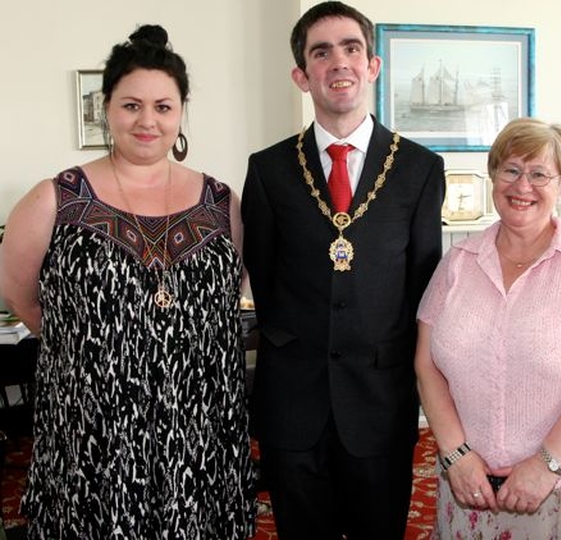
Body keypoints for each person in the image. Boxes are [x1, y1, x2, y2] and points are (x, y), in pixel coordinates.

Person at [0, 24, 256, 539]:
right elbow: (20, 295)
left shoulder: (220, 201)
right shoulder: (57, 198)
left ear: (181, 113)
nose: (148, 121)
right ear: (106, 108)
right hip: (96, 426)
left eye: (163, 107)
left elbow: (239, 287)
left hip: (199, 424)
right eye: (131, 105)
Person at [241, 2, 445, 539]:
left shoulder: (420, 169)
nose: (339, 62)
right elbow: (264, 278)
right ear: (301, 75)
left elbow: (424, 290)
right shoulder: (268, 170)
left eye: (352, 48)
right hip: (293, 401)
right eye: (321, 52)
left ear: (372, 66)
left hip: (380, 399)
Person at [415, 117, 561, 538]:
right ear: (493, 175)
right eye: (511, 170)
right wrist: (456, 454)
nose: (522, 186)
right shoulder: (457, 263)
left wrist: (546, 465)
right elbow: (426, 365)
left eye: (539, 174)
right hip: (470, 490)